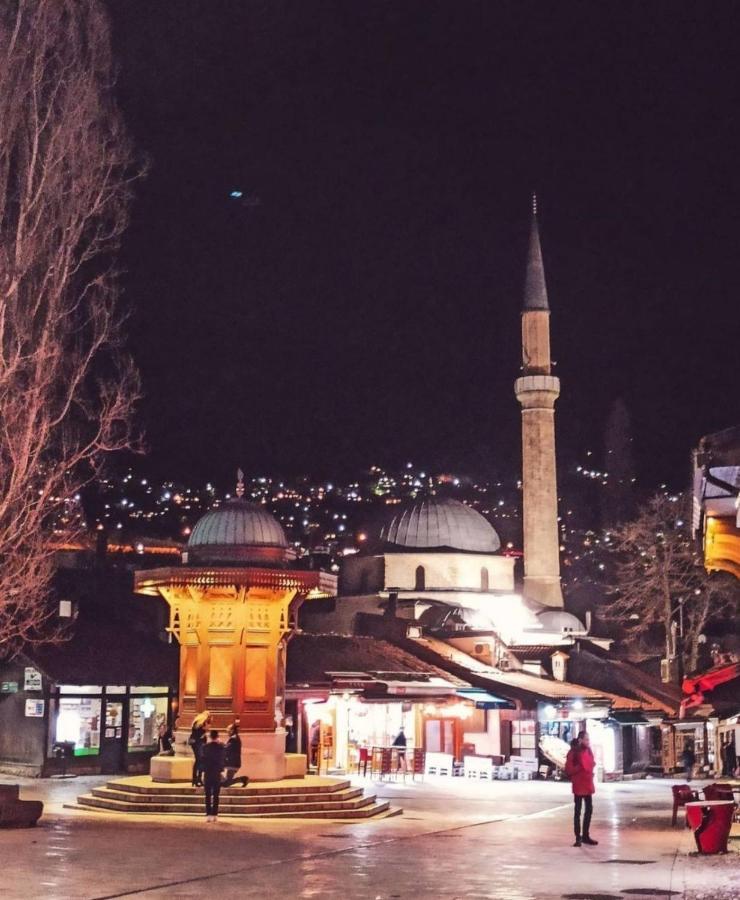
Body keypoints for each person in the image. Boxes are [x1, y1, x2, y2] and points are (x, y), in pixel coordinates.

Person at [564, 731, 598, 848]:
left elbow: (591, 762)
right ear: (580, 740)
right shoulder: (573, 752)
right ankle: (578, 837)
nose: (588, 742)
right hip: (579, 784)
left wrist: (588, 767)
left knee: (589, 810)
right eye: (586, 739)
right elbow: (568, 769)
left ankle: (585, 836)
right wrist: (580, 767)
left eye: (589, 739)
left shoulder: (588, 750)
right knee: (577, 812)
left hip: (587, 784)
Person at [201, 729, 225, 822]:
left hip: (208, 772)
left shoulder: (205, 747)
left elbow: (203, 760)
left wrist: (203, 771)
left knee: (207, 795)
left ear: (210, 737)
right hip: (216, 773)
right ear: (217, 736)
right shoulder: (221, 747)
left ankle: (208, 814)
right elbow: (222, 759)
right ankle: (215, 814)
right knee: (216, 795)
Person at [222, 723, 248, 788]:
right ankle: (243, 779)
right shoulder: (234, 738)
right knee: (225, 782)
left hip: (232, 763)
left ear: (232, 730)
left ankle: (243, 779)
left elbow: (227, 749)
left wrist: (220, 745)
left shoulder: (233, 738)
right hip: (233, 763)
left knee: (226, 783)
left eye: (228, 729)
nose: (226, 730)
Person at [188, 712, 210, 787]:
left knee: (200, 760)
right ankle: (196, 778)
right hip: (197, 743)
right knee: (199, 759)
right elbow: (200, 733)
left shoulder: (199, 723)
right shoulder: (199, 724)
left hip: (200, 743)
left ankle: (198, 778)